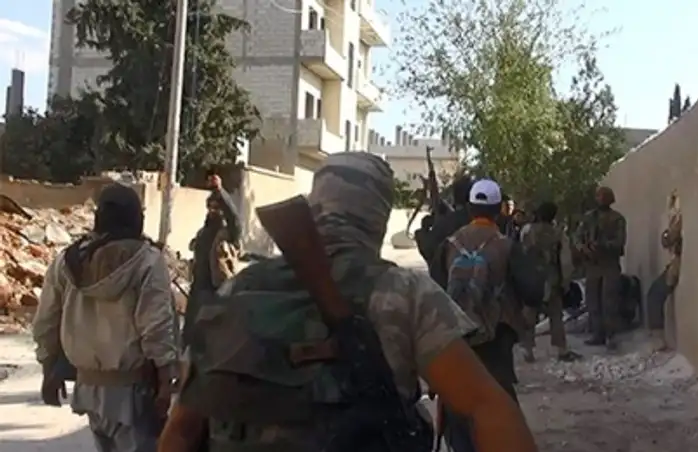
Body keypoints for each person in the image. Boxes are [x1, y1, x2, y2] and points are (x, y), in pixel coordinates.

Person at [162, 153, 539, 452]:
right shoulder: (402, 293)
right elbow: (488, 408)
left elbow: (181, 429)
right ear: (377, 217)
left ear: (315, 204)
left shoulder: (238, 289)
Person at [32, 182, 181, 452]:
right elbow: (157, 327)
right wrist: (166, 381)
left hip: (89, 389)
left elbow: (46, 322)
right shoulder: (147, 260)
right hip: (134, 391)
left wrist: (48, 369)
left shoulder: (68, 261)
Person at [431, 179, 544, 452]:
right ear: (499, 210)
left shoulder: (449, 244)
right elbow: (533, 291)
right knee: (499, 401)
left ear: (470, 208)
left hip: (456, 337)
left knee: (458, 402)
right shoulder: (507, 246)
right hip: (496, 338)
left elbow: (434, 288)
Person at [183, 171, 241, 348]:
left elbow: (235, 219)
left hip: (217, 290)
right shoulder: (203, 233)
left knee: (212, 338)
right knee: (190, 335)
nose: (213, 211)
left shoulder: (228, 234)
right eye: (211, 208)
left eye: (217, 208)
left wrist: (220, 191)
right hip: (198, 288)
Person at [519, 202, 581, 362]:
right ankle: (561, 350)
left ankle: (527, 350)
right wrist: (566, 281)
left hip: (531, 279)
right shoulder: (558, 234)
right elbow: (565, 261)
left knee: (529, 314)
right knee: (556, 315)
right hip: (551, 279)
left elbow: (520, 254)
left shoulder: (527, 230)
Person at [576, 186, 627, 350]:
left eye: (604, 196)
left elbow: (620, 241)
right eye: (598, 195)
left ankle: (611, 335)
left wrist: (603, 245)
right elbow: (577, 237)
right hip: (592, 264)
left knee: (609, 300)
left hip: (609, 263)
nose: (600, 199)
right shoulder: (588, 217)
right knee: (593, 301)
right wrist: (584, 248)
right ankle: (598, 333)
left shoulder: (617, 219)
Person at [647, 190, 682, 350]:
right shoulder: (675, 219)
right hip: (673, 262)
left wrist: (667, 235)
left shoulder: (678, 219)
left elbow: (668, 239)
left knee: (655, 295)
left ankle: (659, 339)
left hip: (676, 264)